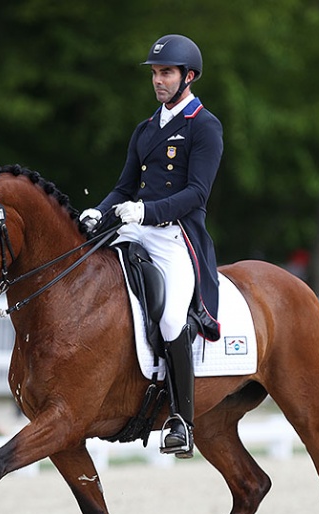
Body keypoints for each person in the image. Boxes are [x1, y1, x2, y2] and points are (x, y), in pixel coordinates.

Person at [79, 34, 223, 458]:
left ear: (187, 77)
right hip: (134, 225)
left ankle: (181, 419)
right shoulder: (145, 129)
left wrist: (146, 212)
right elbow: (123, 187)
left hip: (174, 235)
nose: (158, 80)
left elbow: (197, 192)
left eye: (166, 73)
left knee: (171, 319)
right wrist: (98, 212)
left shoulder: (204, 125)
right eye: (156, 73)